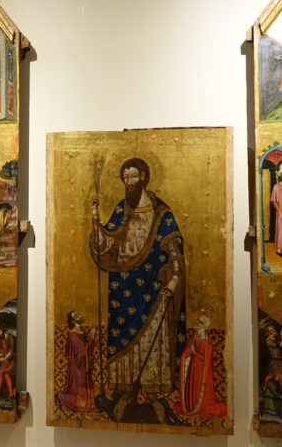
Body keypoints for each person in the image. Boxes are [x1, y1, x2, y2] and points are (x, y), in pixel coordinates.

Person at [89, 158, 186, 422]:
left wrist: (174, 280)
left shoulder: (162, 213)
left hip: (153, 288)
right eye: (125, 177)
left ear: (143, 176)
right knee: (123, 341)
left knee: (153, 341)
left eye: (133, 176)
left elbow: (174, 249)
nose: (129, 182)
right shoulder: (122, 209)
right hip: (122, 288)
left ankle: (154, 398)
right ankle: (124, 394)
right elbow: (106, 243)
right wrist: (95, 217)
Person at [173, 315, 227, 420]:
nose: (198, 331)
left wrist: (195, 353)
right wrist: (188, 353)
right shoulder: (193, 339)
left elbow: (206, 360)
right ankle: (191, 405)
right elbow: (186, 353)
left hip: (202, 370)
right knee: (192, 385)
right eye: (197, 329)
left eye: (200, 329)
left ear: (204, 328)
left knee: (199, 388)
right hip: (192, 368)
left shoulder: (208, 343)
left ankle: (199, 406)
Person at [57, 311, 96, 413]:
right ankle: (61, 397)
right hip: (77, 366)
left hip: (83, 363)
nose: (80, 316)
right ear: (73, 321)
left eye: (79, 314)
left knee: (84, 384)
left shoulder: (81, 333)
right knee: (79, 387)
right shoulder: (72, 335)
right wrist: (92, 335)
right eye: (77, 316)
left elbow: (87, 349)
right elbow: (85, 349)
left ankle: (85, 404)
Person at [0, 327, 16, 400]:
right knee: (0, 373)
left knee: (7, 375)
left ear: (2, 330)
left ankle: (11, 395)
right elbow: (2, 352)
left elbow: (11, 350)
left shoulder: (10, 337)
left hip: (11, 360)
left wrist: (4, 358)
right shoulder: (1, 340)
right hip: (5, 361)